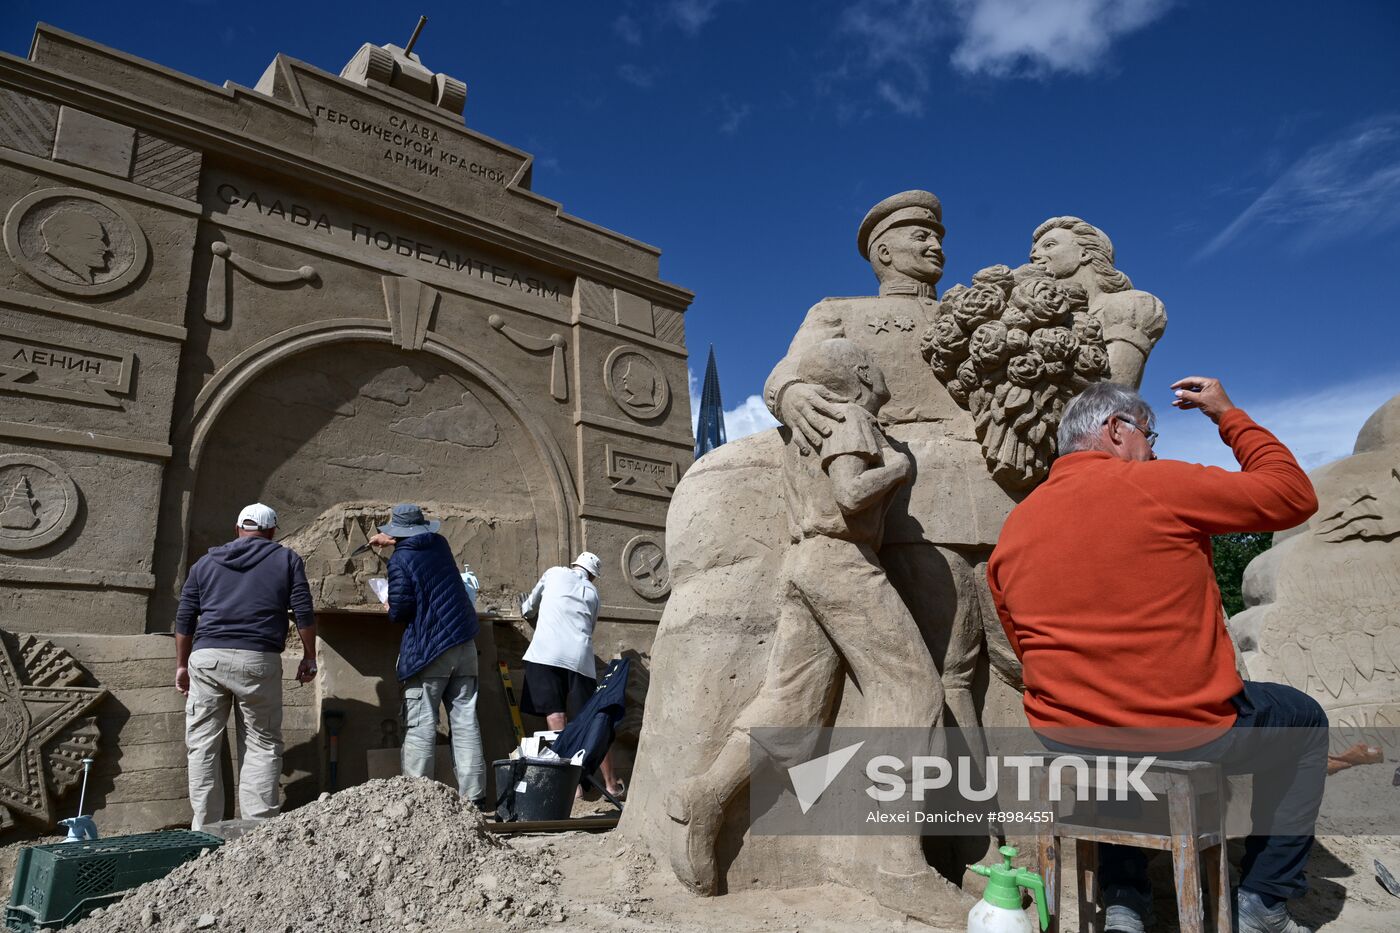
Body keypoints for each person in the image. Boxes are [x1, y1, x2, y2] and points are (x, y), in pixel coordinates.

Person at [987, 378, 1324, 933]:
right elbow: (1292, 495)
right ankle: (1265, 898)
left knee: (1108, 727)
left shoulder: (1016, 525)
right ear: (1116, 430)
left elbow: (1021, 641)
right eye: (1150, 434)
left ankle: (1124, 897)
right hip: (1183, 730)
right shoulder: (1157, 485)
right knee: (1304, 721)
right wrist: (1226, 414)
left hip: (1064, 733)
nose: (1155, 449)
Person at [668, 338, 949, 920]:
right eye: (873, 364)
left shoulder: (809, 424)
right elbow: (850, 494)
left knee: (791, 705)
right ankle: (897, 863)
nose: (881, 372)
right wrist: (896, 467)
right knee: (913, 691)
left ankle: (706, 796)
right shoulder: (852, 419)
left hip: (805, 562)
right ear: (861, 374)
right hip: (844, 562)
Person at [175, 502, 316, 831]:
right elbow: (304, 613)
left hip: (207, 658)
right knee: (262, 743)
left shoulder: (205, 562)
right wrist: (309, 655)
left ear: (239, 528)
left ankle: (205, 831)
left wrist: (182, 665)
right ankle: (258, 831)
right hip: (258, 659)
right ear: (271, 532)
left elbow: (184, 619)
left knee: (202, 745)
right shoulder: (286, 559)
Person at [368, 503, 485, 808]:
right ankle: (476, 799)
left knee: (421, 725)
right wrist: (391, 539)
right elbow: (421, 550)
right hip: (464, 643)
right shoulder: (440, 544)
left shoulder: (400, 560)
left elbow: (401, 610)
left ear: (398, 533)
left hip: (430, 649)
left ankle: (417, 804)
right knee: (465, 722)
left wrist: (389, 605)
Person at [519, 551, 624, 797]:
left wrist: (525, 610)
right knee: (593, 722)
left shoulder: (554, 572)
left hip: (545, 655)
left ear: (574, 564)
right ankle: (610, 784)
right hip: (580, 660)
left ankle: (573, 788)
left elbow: (531, 605)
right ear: (593, 576)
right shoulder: (593, 592)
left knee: (556, 718)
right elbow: (591, 626)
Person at [1027, 216, 1167, 390]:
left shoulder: (1128, 305)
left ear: (1084, 253)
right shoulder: (1046, 318)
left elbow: (1116, 389)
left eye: (1049, 245)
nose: (1033, 255)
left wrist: (1053, 369)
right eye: (1033, 250)